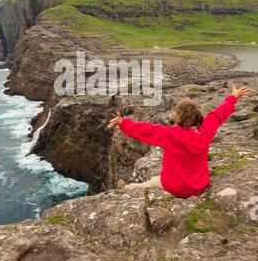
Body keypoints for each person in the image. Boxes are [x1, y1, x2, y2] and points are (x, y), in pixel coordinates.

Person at [108, 84, 252, 198]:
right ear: (197, 116)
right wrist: (233, 97)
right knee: (157, 178)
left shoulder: (171, 134)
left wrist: (124, 123)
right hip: (198, 185)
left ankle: (128, 189)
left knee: (149, 182)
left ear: (179, 118)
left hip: (174, 186)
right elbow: (217, 115)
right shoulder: (206, 130)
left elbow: (148, 130)